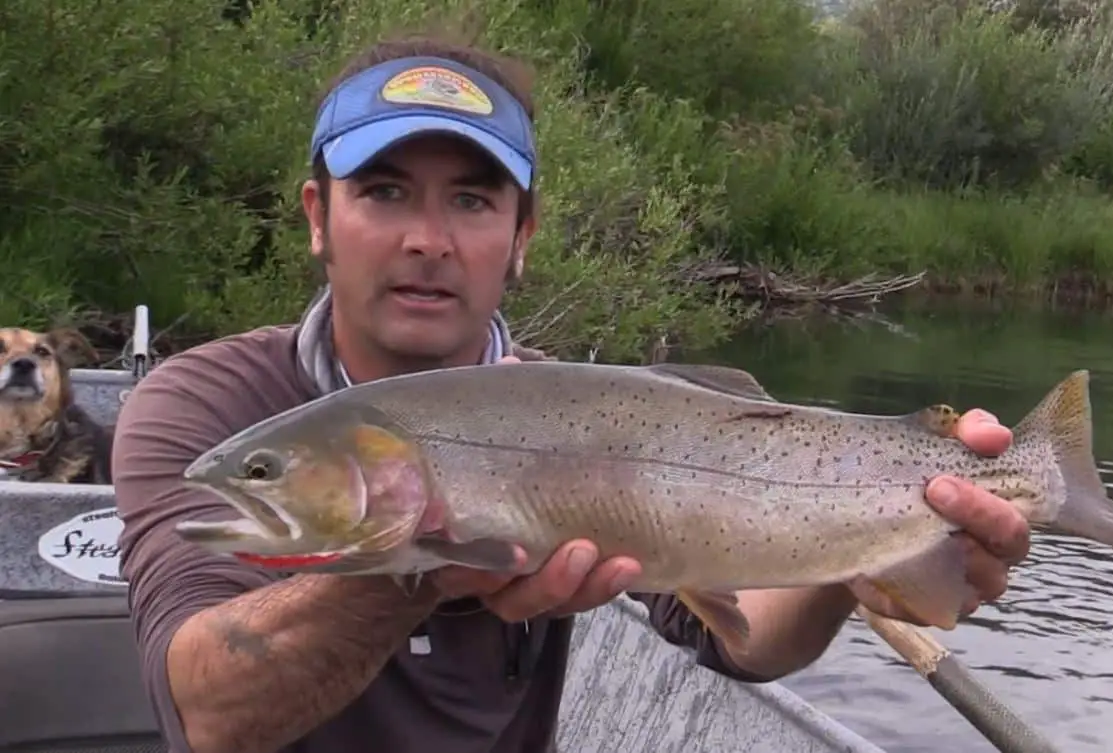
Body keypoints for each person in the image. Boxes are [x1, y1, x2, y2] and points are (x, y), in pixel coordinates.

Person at [112, 29, 1029, 753]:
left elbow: (745, 638)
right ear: (318, 217)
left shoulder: (587, 408)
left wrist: (870, 552)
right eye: (385, 192)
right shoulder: (204, 405)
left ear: (522, 235)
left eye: (472, 201)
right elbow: (208, 718)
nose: (428, 238)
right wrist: (426, 564)